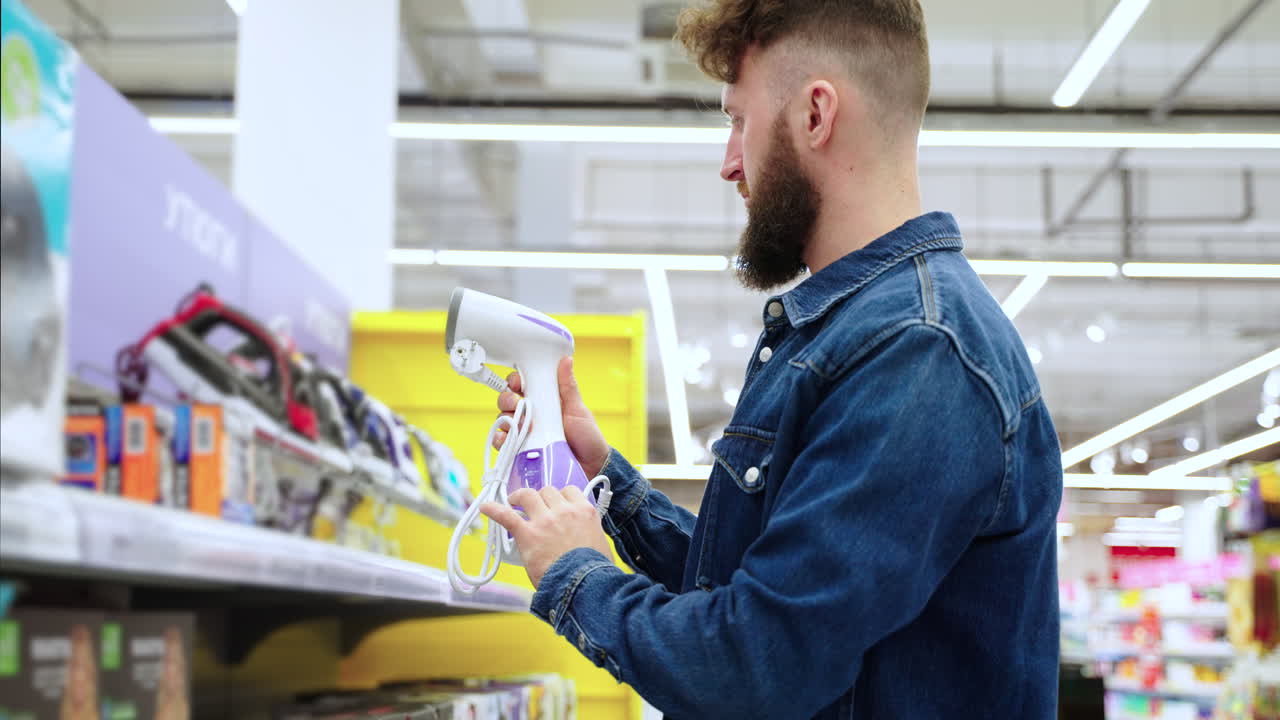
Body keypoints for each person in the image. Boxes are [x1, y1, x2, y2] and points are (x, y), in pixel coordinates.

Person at [479, 1, 1063, 717]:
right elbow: (769, 587)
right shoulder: (857, 336)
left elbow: (755, 663)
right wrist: (607, 482)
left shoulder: (917, 354)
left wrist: (578, 574)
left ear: (815, 115)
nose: (729, 163)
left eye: (737, 120)